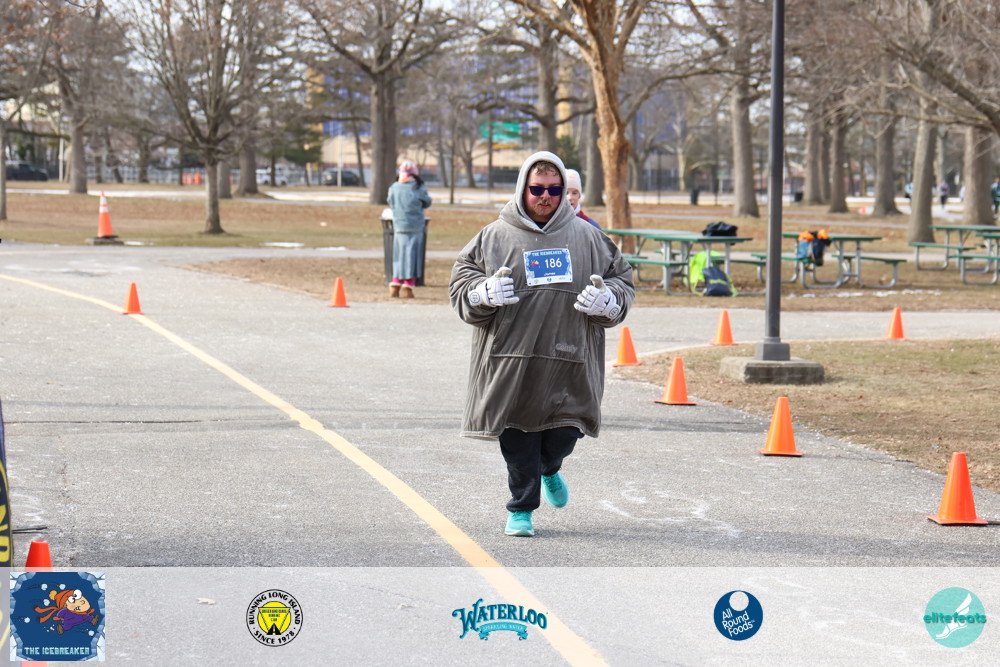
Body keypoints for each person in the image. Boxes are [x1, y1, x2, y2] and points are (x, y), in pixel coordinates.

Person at [449, 151, 634, 538]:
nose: (546, 196)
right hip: (511, 360)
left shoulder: (589, 237)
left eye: (554, 189)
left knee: (566, 432)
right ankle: (521, 509)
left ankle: (550, 467)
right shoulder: (493, 236)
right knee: (518, 437)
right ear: (523, 189)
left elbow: (622, 279)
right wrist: (482, 293)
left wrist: (609, 300)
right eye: (537, 189)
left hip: (571, 359)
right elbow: (461, 284)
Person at [387, 161, 432, 298]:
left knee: (398, 254)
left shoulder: (394, 187)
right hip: (415, 226)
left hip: (399, 225)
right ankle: (408, 284)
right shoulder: (418, 187)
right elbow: (427, 202)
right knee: (412, 255)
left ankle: (395, 281)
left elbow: (390, 202)